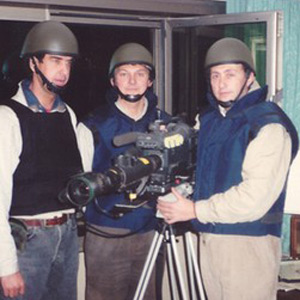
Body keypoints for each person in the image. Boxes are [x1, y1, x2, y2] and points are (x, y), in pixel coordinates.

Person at [157, 37, 299, 300]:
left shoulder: (269, 125)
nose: (221, 83)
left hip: (247, 246)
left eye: (230, 74)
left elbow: (254, 198)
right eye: (215, 75)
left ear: (249, 76)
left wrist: (194, 209)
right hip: (208, 237)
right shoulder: (210, 119)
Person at [0, 20, 91, 300]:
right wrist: (6, 266)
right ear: (33, 63)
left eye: (68, 63)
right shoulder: (8, 118)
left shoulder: (68, 115)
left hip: (66, 235)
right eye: (55, 61)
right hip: (27, 242)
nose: (63, 71)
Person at [83, 42, 171, 300]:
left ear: (150, 80)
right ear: (113, 80)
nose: (132, 81)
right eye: (124, 73)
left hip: (151, 229)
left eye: (140, 73)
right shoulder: (93, 125)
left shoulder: (165, 123)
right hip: (106, 233)